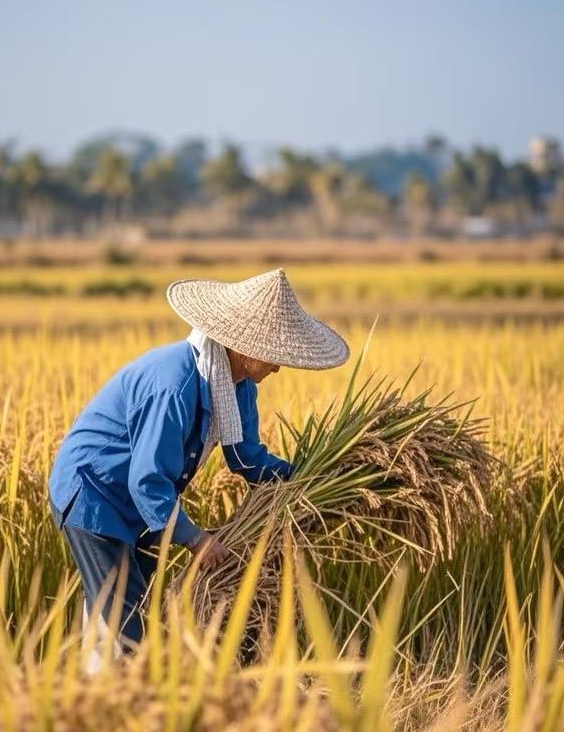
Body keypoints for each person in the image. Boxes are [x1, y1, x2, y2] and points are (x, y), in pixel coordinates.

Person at [47, 268, 349, 666]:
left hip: (135, 507)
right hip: (94, 495)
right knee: (124, 620)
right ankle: (115, 705)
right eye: (276, 356)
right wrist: (196, 539)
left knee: (118, 606)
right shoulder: (174, 384)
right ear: (246, 348)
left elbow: (246, 458)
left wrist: (306, 478)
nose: (279, 367)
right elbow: (147, 478)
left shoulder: (237, 387)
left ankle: (91, 696)